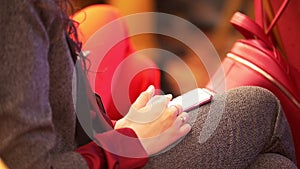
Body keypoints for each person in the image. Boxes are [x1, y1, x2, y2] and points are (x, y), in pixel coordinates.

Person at [0, 0, 297, 168]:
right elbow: (32, 163)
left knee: (271, 166)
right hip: (101, 160)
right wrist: (128, 142)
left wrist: (115, 128)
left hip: (94, 152)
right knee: (258, 105)